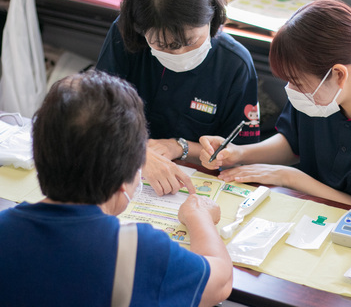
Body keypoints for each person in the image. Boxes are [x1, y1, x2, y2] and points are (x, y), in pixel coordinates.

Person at [199, 0, 351, 227]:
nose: (291, 90)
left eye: (297, 82)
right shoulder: (323, 96)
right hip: (320, 216)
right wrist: (238, 154)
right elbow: (292, 143)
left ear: (339, 75)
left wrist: (290, 178)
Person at [0, 70, 232, 306]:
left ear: (38, 156)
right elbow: (220, 282)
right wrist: (199, 215)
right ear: (127, 175)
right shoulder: (139, 249)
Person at [96, 0, 260, 197]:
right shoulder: (124, 37)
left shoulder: (235, 65)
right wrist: (137, 153)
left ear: (212, 17)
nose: (180, 53)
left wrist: (181, 147)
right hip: (123, 172)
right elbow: (97, 118)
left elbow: (242, 155)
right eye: (163, 45)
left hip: (194, 187)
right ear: (140, 30)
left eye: (191, 41)